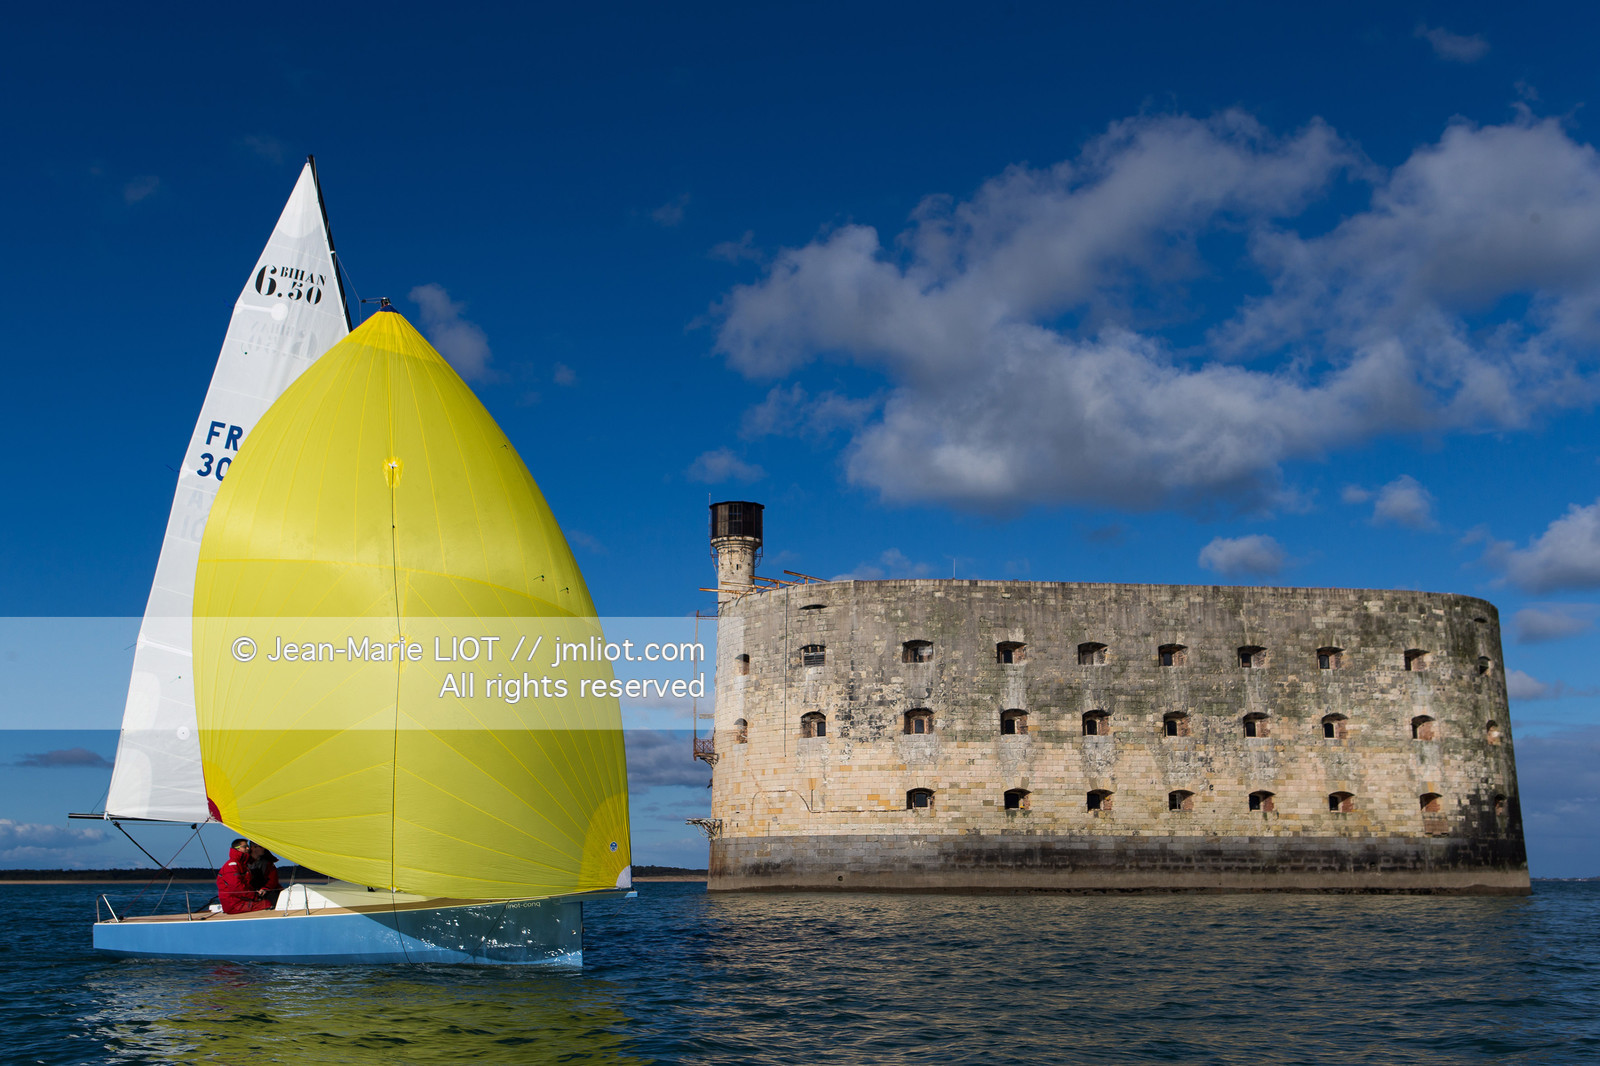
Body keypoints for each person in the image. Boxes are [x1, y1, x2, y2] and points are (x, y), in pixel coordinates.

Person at [216, 838, 273, 914]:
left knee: (269, 900)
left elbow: (246, 885)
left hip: (241, 901)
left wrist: (257, 892)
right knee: (267, 904)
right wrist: (255, 896)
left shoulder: (242, 865)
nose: (248, 848)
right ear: (237, 849)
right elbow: (236, 888)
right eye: (245, 846)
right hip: (234, 904)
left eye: (247, 846)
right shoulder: (232, 866)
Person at [246, 842, 281, 908]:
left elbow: (273, 879)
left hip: (267, 890)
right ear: (253, 848)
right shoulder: (244, 862)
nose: (264, 848)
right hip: (251, 892)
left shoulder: (268, 862)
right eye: (261, 847)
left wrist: (265, 888)